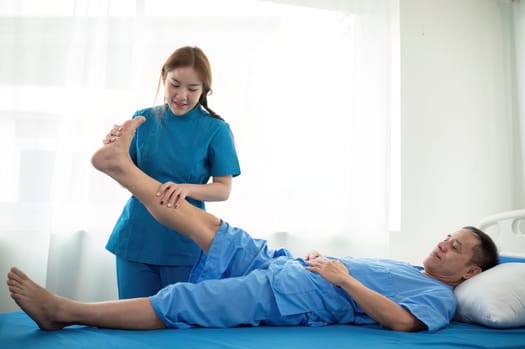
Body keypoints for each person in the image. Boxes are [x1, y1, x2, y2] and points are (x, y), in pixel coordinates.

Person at [7, 117, 499, 333]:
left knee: (186, 302)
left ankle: (64, 311)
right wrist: (320, 261)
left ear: (470, 273)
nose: (441, 244)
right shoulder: (410, 268)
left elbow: (400, 322)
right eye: (446, 236)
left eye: (454, 247)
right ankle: (123, 168)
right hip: (286, 266)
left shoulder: (439, 297)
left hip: (295, 299)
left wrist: (342, 278)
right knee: (207, 225)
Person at [104, 46, 241, 299]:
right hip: (136, 237)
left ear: (204, 91)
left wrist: (186, 188)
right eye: (175, 84)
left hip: (185, 242)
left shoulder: (216, 129)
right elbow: (126, 178)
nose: (181, 96)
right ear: (163, 77)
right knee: (130, 325)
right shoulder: (142, 120)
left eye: (193, 89)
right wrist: (115, 149)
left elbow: (223, 189)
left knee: (176, 327)